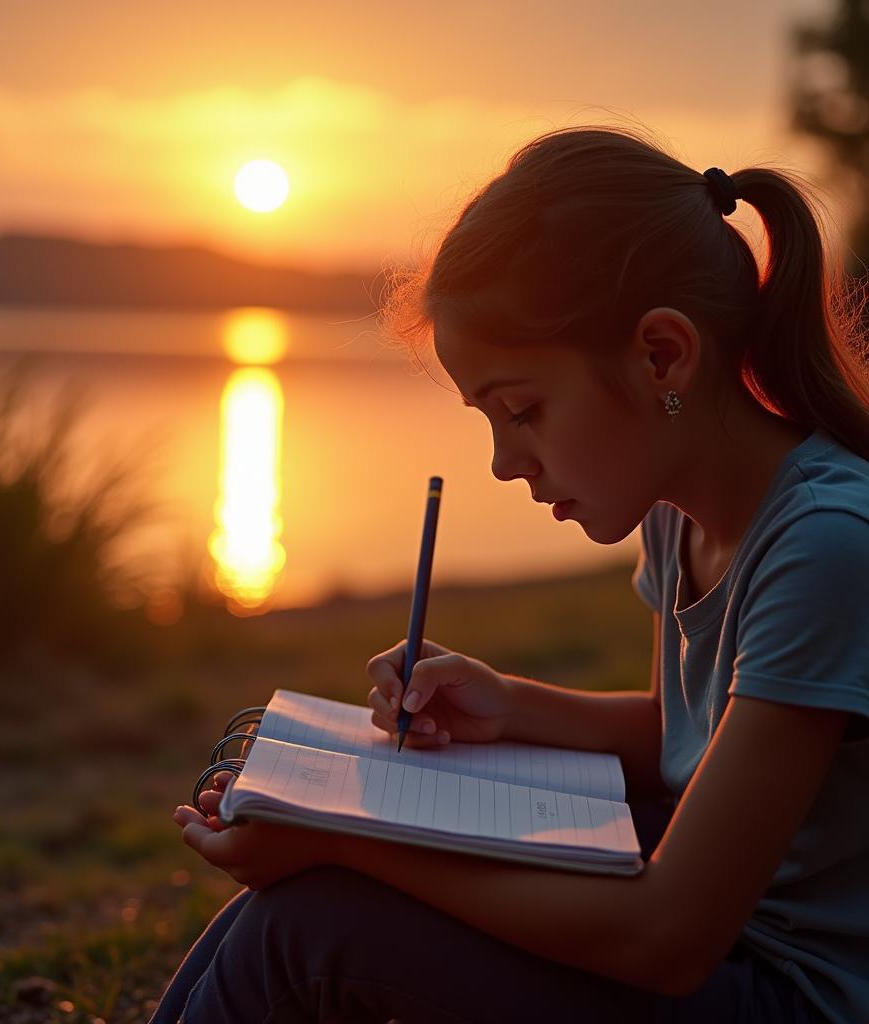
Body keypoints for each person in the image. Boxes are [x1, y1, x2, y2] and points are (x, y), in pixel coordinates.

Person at [152, 122, 869, 1023]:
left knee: (312, 929)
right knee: (277, 918)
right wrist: (510, 705)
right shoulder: (675, 512)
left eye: (522, 410)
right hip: (738, 938)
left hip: (797, 988)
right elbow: (691, 738)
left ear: (661, 356)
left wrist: (346, 844)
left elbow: (668, 936)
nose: (502, 462)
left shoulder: (826, 545)